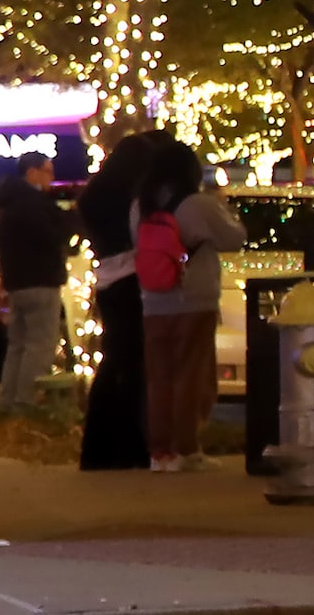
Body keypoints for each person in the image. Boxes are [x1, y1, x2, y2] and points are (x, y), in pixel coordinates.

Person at [134, 138, 246, 473]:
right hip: (194, 297)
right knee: (190, 373)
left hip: (153, 300)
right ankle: (186, 447)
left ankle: (160, 452)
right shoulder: (199, 205)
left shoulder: (140, 206)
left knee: (159, 376)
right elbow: (234, 239)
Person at [75, 132, 159, 470]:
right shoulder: (133, 198)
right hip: (131, 280)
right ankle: (128, 445)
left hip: (108, 279)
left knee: (114, 363)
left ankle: (100, 447)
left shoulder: (95, 196)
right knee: (131, 365)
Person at [0, 152, 73, 415]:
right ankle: (25, 403)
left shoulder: (8, 203)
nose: (52, 178)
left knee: (18, 345)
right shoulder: (33, 204)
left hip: (17, 283)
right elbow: (51, 236)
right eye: (48, 172)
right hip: (41, 280)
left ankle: (9, 401)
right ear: (32, 172)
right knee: (40, 344)